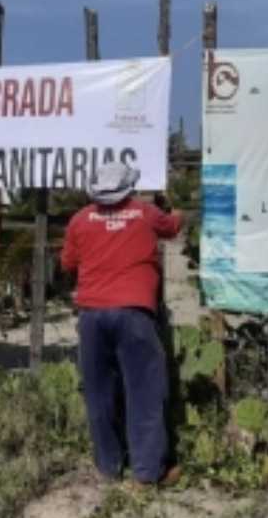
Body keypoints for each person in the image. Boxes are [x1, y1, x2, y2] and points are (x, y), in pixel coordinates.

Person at [60, 161, 184, 487]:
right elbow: (173, 227)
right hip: (134, 313)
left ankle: (108, 467)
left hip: (92, 315)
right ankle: (146, 473)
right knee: (144, 391)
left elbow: (68, 263)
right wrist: (177, 209)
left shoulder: (80, 219)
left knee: (99, 392)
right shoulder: (144, 213)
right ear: (128, 187)